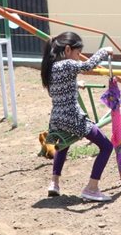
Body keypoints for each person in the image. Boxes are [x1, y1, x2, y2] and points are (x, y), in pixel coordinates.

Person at [40, 31, 115, 203]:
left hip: (56, 119)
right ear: (67, 49)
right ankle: (92, 188)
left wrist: (75, 84)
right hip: (73, 118)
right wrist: (104, 51)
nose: (78, 57)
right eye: (77, 53)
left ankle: (54, 183)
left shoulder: (50, 67)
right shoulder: (68, 64)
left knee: (63, 145)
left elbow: (56, 90)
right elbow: (88, 66)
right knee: (106, 146)